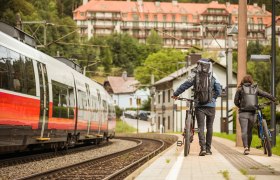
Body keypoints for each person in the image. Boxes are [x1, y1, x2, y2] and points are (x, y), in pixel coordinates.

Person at [172, 59, 222, 156]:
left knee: (200, 127)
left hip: (199, 105)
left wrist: (176, 94)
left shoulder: (195, 74)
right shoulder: (213, 75)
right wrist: (213, 99)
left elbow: (185, 85)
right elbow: (219, 91)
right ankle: (208, 149)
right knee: (210, 127)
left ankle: (202, 148)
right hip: (211, 106)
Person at [234, 74, 276, 155]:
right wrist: (273, 99)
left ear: (243, 81)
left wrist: (241, 107)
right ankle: (248, 147)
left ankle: (246, 148)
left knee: (244, 131)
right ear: (251, 81)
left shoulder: (240, 89)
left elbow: (236, 102)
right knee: (249, 131)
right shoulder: (255, 89)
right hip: (253, 113)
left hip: (243, 113)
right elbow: (265, 94)